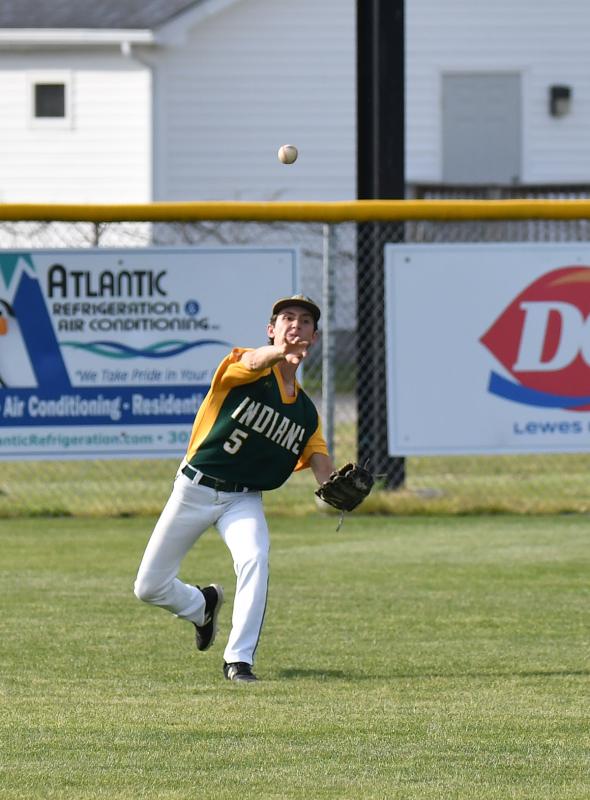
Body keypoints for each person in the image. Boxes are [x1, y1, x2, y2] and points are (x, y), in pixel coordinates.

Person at [134, 294, 335, 683]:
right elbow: (256, 361)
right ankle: (201, 604)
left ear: (314, 336)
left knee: (255, 558)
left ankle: (238, 661)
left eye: (306, 320)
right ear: (271, 329)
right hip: (194, 487)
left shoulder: (306, 413)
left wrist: (339, 487)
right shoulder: (243, 365)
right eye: (287, 317)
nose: (296, 324)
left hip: (242, 499)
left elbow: (320, 460)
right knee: (148, 587)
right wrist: (279, 353)